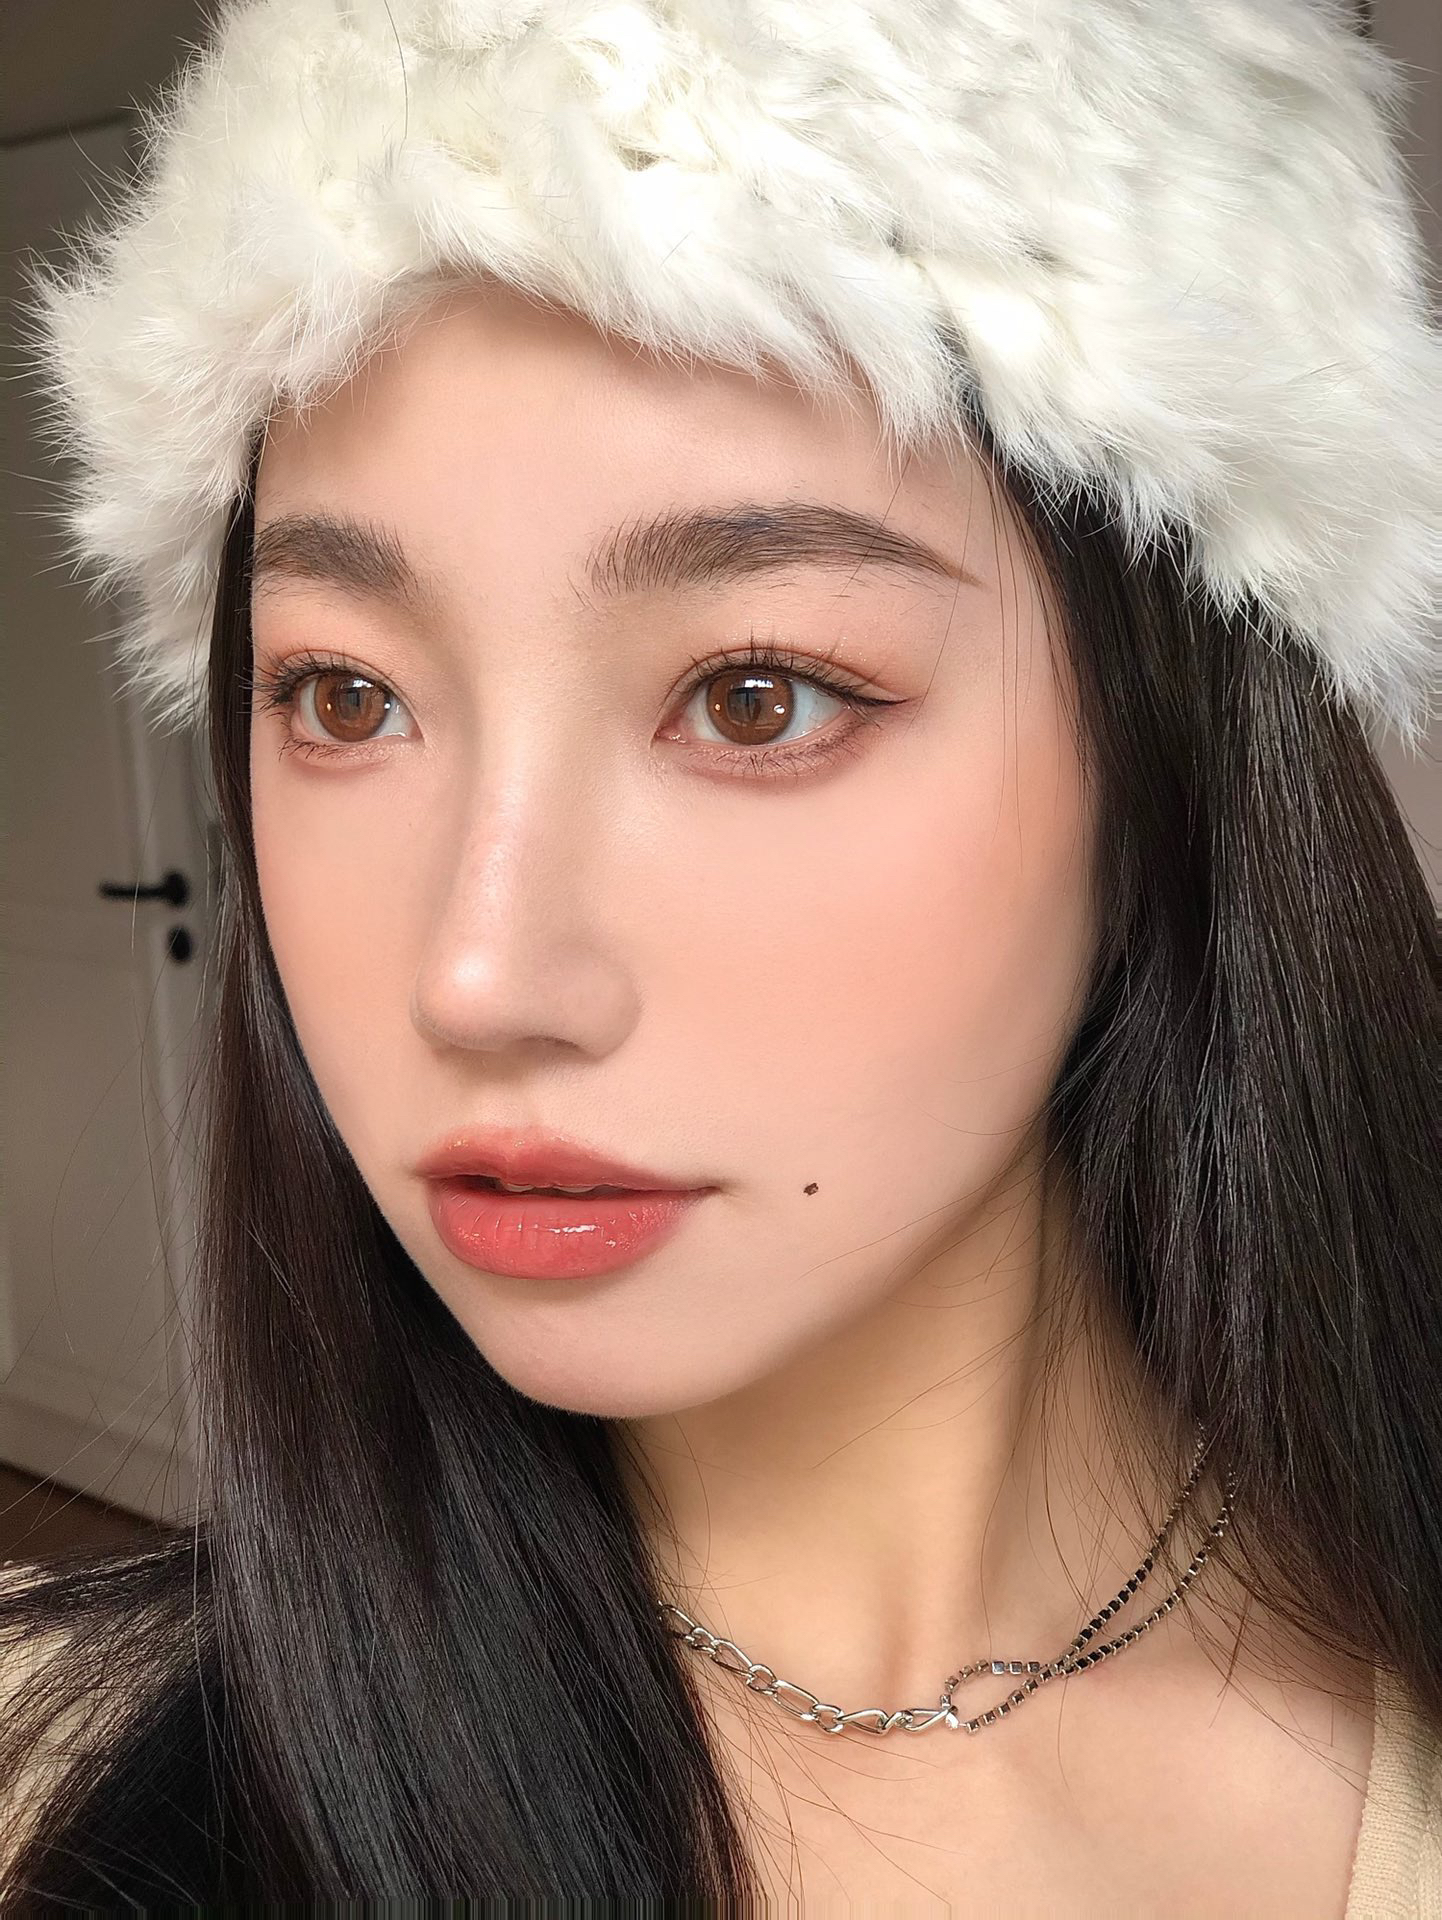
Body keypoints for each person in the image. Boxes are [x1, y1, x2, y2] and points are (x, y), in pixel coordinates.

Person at [2, 0, 1438, 1907]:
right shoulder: (61, 1786)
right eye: (344, 696)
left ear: (1170, 752)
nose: (478, 975)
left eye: (756, 695)